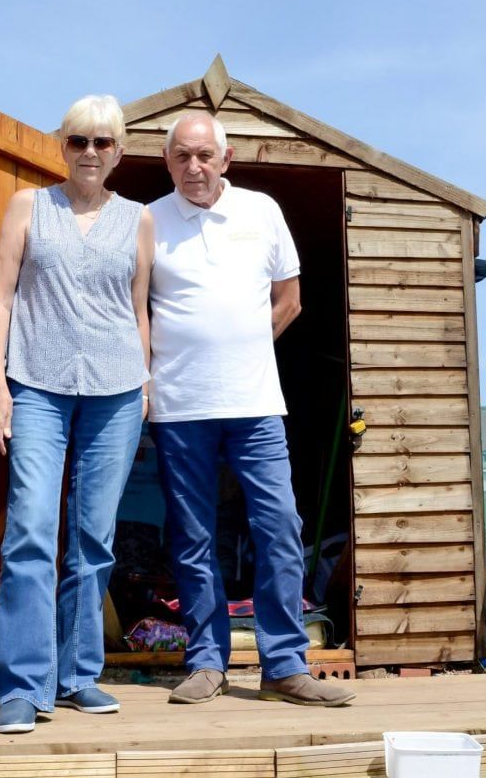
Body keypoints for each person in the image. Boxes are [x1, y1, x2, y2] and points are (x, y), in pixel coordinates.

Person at [147, 111, 355, 707]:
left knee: (280, 526)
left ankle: (284, 666)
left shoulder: (262, 211)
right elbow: (137, 306)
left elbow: (289, 300)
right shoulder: (149, 221)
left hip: (257, 403)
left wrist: (242, 347)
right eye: (182, 157)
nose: (194, 167)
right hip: (178, 405)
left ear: (226, 159)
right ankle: (207, 662)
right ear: (168, 163)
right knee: (191, 537)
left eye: (204, 155)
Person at [0, 95, 153, 734]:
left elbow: (138, 311)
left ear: (118, 151)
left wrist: (144, 385)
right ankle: (24, 686)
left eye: (103, 143)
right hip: (36, 386)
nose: (90, 153)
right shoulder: (29, 206)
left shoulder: (138, 220)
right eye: (79, 141)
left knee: (93, 538)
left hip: (115, 392)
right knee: (30, 529)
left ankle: (80, 675)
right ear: (63, 144)